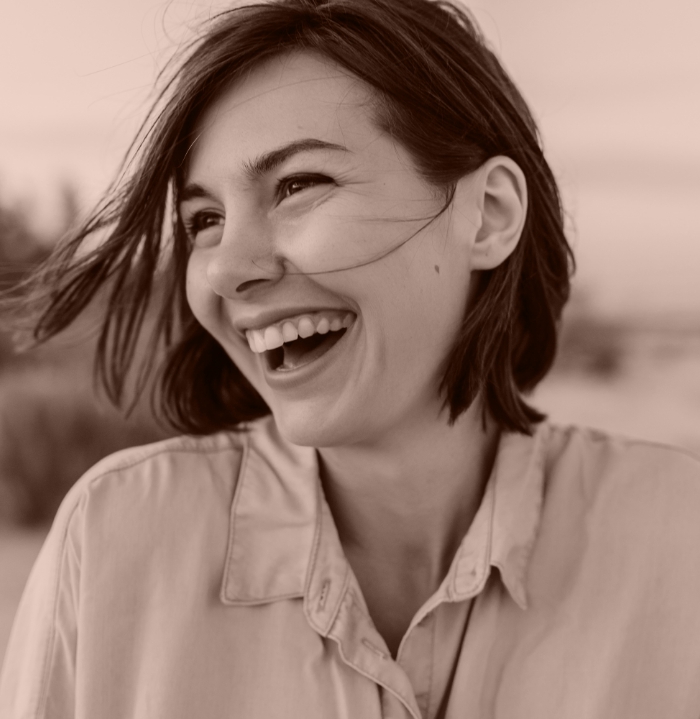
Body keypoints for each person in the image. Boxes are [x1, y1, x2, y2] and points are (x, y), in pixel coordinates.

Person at [2, 0, 700, 717]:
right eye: (204, 221)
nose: (225, 269)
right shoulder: (114, 539)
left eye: (299, 185)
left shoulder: (680, 537)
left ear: (488, 213)